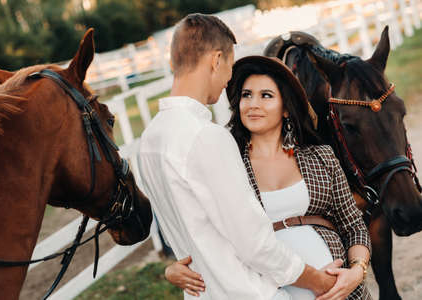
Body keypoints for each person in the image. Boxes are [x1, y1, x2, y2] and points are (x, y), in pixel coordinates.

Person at [137, 14, 341, 300]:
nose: (228, 79)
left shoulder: (149, 140)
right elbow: (255, 244)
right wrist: (317, 281)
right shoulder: (206, 137)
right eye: (230, 67)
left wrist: (174, 269)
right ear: (215, 60)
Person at [164, 56, 372, 300]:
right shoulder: (225, 162)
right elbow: (199, 227)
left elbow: (353, 225)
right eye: (246, 95)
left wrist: (357, 271)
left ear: (285, 108)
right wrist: (173, 268)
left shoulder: (320, 157)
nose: (253, 104)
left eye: (266, 96)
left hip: (337, 290)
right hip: (264, 291)